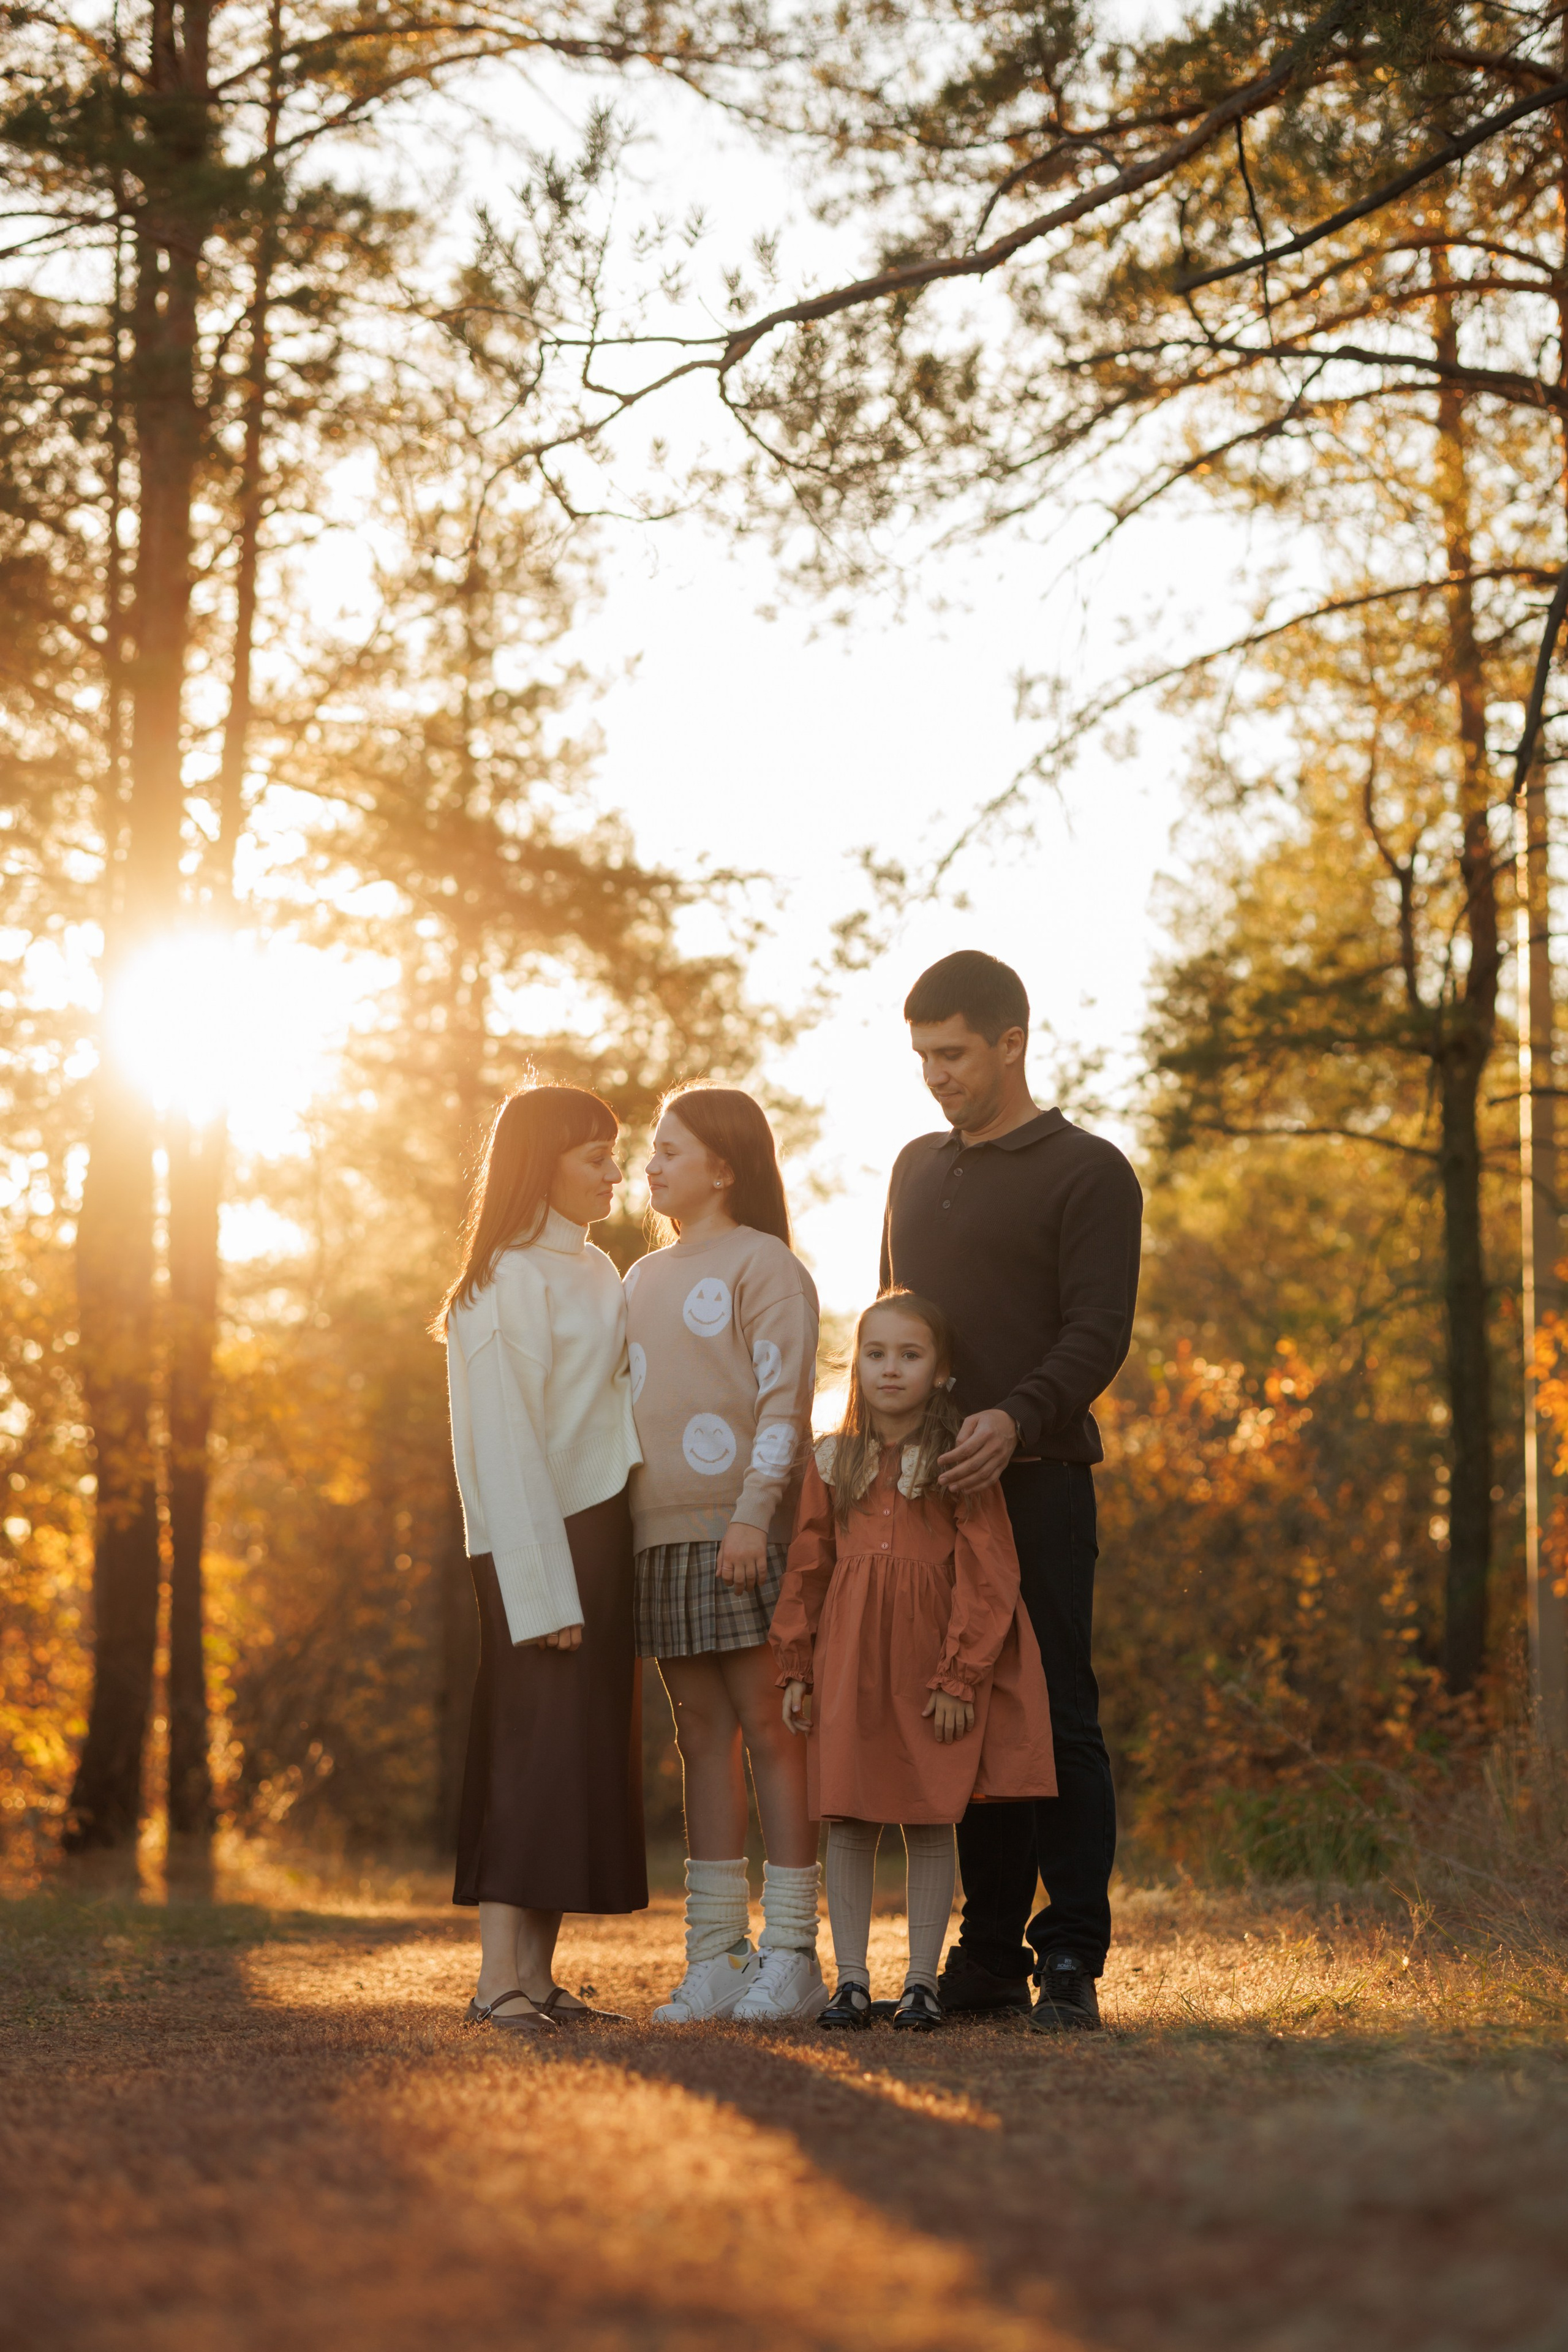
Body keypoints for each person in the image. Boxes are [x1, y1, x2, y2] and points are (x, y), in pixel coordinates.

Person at [880, 951, 1142, 2032]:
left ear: (1011, 1043)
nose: (935, 1075)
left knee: (1059, 1715)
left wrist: (1016, 1416)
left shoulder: (1089, 1171)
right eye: (921, 1057)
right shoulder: (911, 1166)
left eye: (952, 1054)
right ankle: (986, 1953)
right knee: (963, 1713)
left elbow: (1098, 1332)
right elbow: (891, 1315)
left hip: (1036, 1483)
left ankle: (1071, 1951)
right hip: (932, 1491)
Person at [771, 1291, 1055, 2031]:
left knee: (932, 1816)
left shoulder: (955, 1459)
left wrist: (962, 1674)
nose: (890, 1369)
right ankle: (852, 1982)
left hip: (930, 1665)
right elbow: (807, 1563)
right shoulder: (832, 1458)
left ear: (941, 1369)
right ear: (855, 1364)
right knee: (848, 1816)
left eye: (909, 1355)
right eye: (875, 1354)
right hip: (848, 1662)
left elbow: (988, 1569)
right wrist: (796, 1664)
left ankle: (923, 1982)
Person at [439, 1083, 646, 2033]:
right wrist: (542, 1587)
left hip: (604, 1532)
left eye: (616, 1153)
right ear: (541, 1162)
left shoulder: (601, 1270)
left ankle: (540, 1976)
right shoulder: (499, 1283)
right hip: (534, 1540)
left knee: (579, 1753)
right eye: (595, 1155)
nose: (616, 1171)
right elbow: (501, 1447)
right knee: (528, 1752)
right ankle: (496, 1983)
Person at [625, 1085, 826, 2024]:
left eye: (670, 1148)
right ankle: (716, 1957)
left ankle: (791, 1955)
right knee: (700, 1737)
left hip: (744, 1534)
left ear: (725, 1166)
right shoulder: (635, 1279)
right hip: (659, 1537)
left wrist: (754, 1515)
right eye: (650, 1150)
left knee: (772, 1729)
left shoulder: (765, 1265)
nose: (651, 1164)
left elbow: (784, 1404)